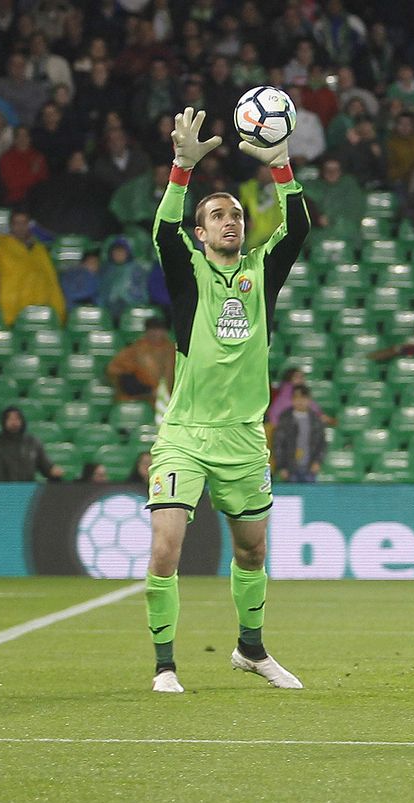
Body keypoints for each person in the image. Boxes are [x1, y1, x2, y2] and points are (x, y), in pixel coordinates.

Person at [142, 107, 309, 695]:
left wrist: (281, 165)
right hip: (185, 433)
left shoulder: (261, 273)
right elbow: (164, 231)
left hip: (242, 436)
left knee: (252, 550)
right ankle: (165, 666)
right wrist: (181, 172)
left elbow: (298, 230)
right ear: (203, 231)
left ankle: (252, 649)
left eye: (236, 213)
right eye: (217, 216)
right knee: (166, 548)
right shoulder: (187, 271)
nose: (230, 221)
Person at [0, 210, 65, 325]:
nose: (21, 227)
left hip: (41, 312)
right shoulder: (0, 250)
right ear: (11, 226)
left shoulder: (40, 250)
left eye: (24, 223)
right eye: (17, 223)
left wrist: (59, 313)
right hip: (11, 315)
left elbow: (51, 282)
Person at [0, 406, 65, 482]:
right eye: (10, 419)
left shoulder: (33, 443)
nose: (14, 422)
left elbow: (45, 466)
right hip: (4, 492)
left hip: (28, 491)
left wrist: (53, 470)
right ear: (4, 422)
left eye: (17, 419)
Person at [106, 316, 176, 403]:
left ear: (165, 331)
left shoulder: (173, 351)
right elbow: (115, 371)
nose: (155, 333)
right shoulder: (135, 350)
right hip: (143, 401)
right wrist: (146, 390)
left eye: (159, 330)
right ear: (146, 331)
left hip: (171, 400)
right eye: (152, 330)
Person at [272, 384, 326, 483]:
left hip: (309, 467)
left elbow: (321, 443)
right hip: (290, 468)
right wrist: (282, 466)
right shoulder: (285, 419)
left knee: (310, 495)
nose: (300, 401)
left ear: (309, 400)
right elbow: (278, 444)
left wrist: (317, 461)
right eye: (297, 398)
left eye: (303, 398)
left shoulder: (315, 419)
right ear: (292, 399)